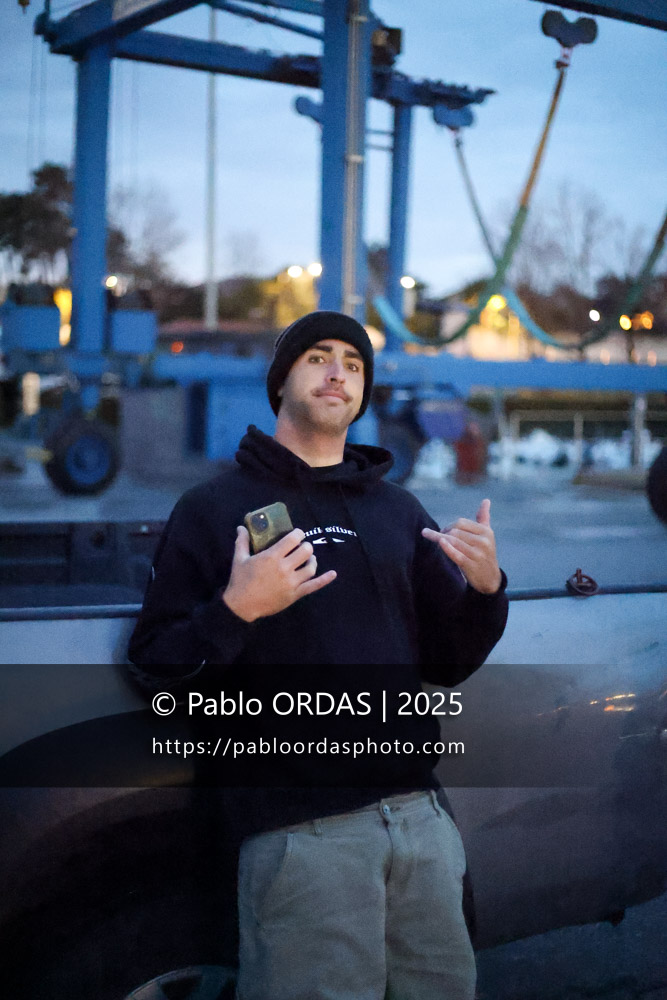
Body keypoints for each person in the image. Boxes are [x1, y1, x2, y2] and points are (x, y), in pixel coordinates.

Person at [128, 309, 509, 1000]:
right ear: (281, 383)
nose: (338, 373)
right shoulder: (214, 508)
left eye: (354, 364)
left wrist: (485, 591)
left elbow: (448, 661)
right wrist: (236, 610)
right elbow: (156, 665)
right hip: (298, 834)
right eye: (318, 357)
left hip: (419, 822)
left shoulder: (398, 511)